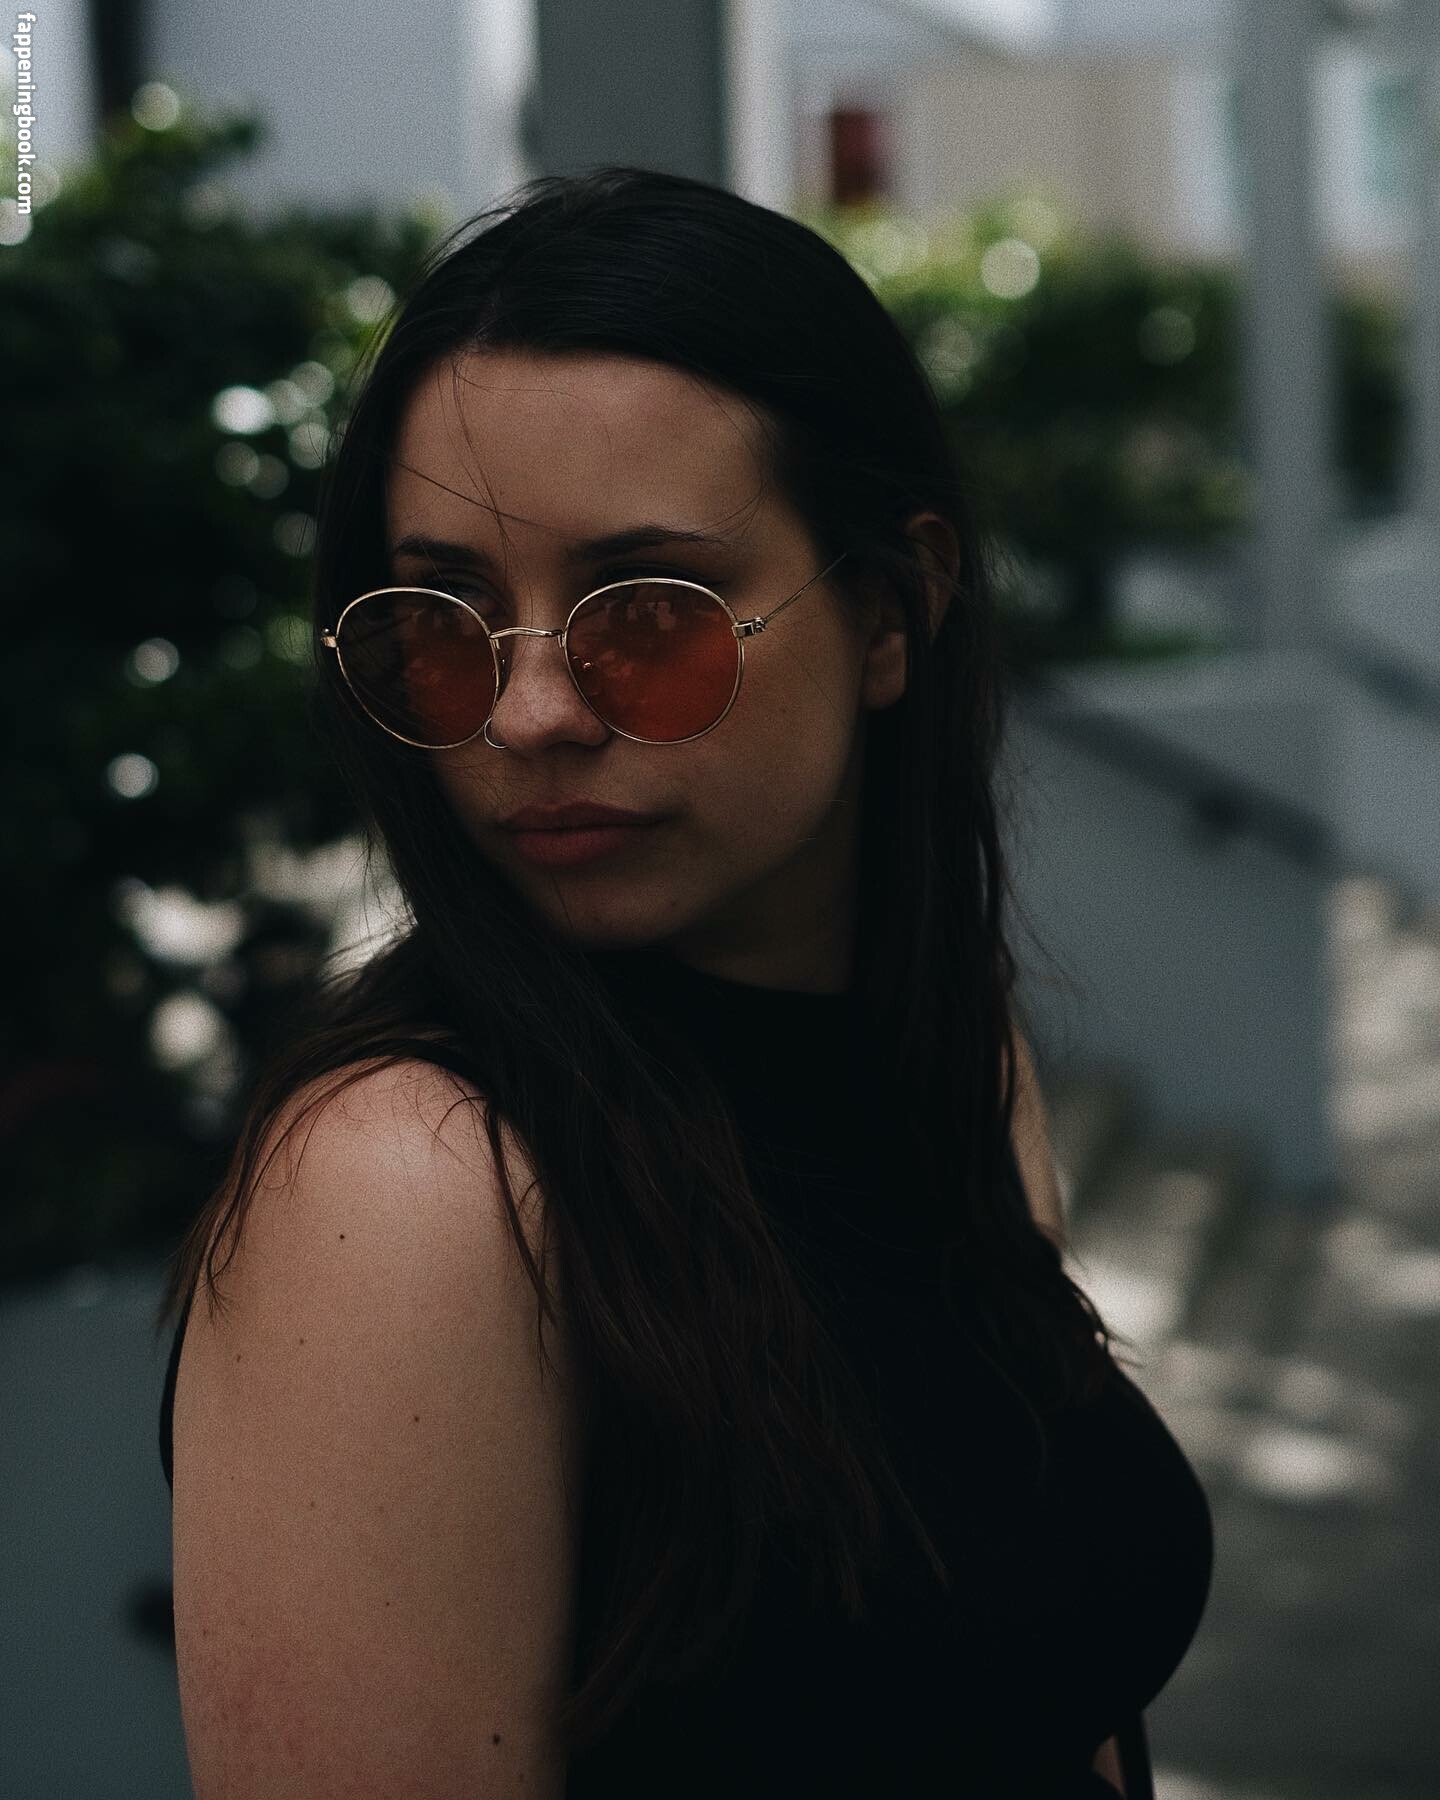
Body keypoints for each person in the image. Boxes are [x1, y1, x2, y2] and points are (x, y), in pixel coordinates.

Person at [155, 165, 1212, 1798]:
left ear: (892, 609)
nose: (528, 715)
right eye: (443, 623)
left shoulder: (942, 1055)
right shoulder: (415, 1188)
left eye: (646, 613)